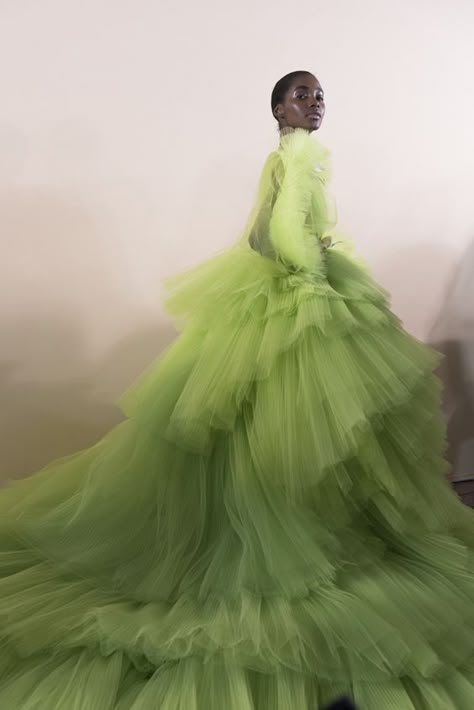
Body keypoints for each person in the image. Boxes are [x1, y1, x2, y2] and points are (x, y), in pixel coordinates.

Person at [0, 70, 472, 709]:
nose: (316, 103)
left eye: (320, 95)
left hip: (280, 296)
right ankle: (306, 551)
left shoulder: (278, 156)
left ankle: (274, 539)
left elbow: (257, 236)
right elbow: (280, 237)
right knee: (313, 435)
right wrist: (315, 271)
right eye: (303, 95)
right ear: (278, 107)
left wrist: (316, 250)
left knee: (266, 434)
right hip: (305, 299)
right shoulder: (302, 153)